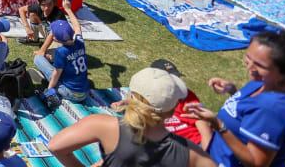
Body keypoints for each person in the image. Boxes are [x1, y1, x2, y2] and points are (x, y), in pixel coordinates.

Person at [48, 67, 215, 167]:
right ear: (172, 111)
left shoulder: (103, 126)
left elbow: (56, 146)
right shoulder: (189, 152)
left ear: (130, 97)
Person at [184, 30, 285, 167]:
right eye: (249, 58)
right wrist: (232, 90)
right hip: (216, 156)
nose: (250, 67)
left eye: (260, 65)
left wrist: (218, 124)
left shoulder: (272, 109)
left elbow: (256, 163)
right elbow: (250, 111)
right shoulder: (267, 83)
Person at [32, 0, 88, 103]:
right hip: (85, 92)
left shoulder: (61, 52)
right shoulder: (80, 42)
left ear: (55, 38)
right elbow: (77, 26)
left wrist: (49, 90)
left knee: (38, 58)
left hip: (69, 93)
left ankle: (51, 91)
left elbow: (56, 74)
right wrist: (68, 9)